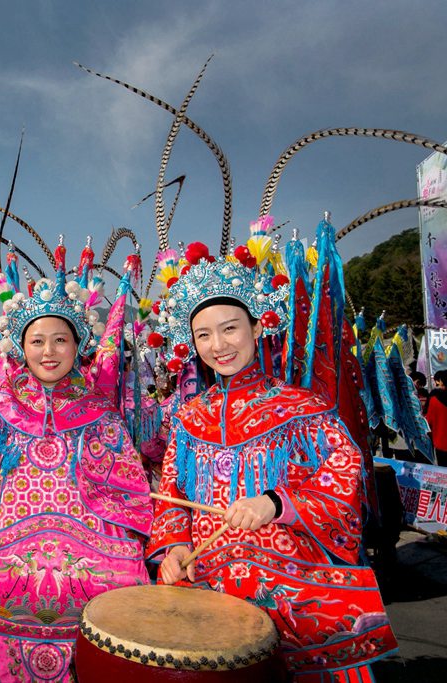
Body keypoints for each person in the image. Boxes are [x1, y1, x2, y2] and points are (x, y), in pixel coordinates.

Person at [148, 248, 397, 681]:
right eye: (203, 335)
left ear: (258, 326)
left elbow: (345, 477)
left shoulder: (302, 409)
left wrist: (276, 502)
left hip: (290, 591)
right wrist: (176, 547)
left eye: (230, 329)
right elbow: (172, 496)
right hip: (208, 584)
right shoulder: (188, 418)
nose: (218, 345)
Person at [0, 243, 152, 682]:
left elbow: (129, 486)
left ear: (78, 346)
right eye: (37, 340)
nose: (49, 351)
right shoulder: (0, 405)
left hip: (90, 547)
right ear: (21, 347)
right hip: (7, 546)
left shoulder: (100, 411)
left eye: (61, 339)